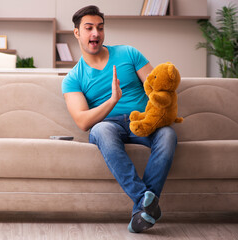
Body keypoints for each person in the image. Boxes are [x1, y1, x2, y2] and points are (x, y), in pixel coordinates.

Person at [62, 5, 177, 233]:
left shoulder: (128, 54)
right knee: (101, 131)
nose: (96, 33)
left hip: (143, 122)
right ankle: (146, 200)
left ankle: (143, 210)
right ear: (77, 33)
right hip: (108, 126)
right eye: (89, 28)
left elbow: (157, 90)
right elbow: (84, 122)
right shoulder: (73, 78)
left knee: (168, 134)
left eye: (100, 28)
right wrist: (112, 100)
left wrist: (161, 109)